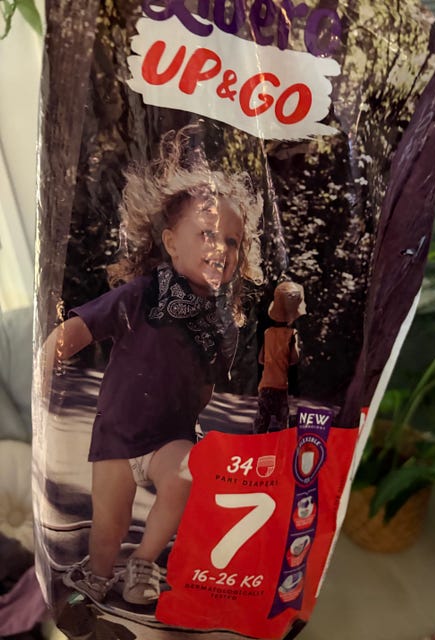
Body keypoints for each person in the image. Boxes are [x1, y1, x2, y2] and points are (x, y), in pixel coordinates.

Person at [43, 127, 263, 606]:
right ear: (171, 242)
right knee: (109, 525)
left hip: (169, 437)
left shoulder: (220, 320)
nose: (221, 248)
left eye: (232, 241)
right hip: (118, 436)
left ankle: (144, 561)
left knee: (186, 476)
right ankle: (99, 575)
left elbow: (206, 382)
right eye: (207, 234)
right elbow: (79, 329)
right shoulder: (142, 294)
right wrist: (44, 368)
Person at [253, 281, 305, 434]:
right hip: (281, 387)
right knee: (283, 427)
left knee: (261, 425)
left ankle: (256, 446)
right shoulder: (292, 334)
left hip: (265, 386)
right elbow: (294, 360)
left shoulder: (268, 332)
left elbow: (261, 359)